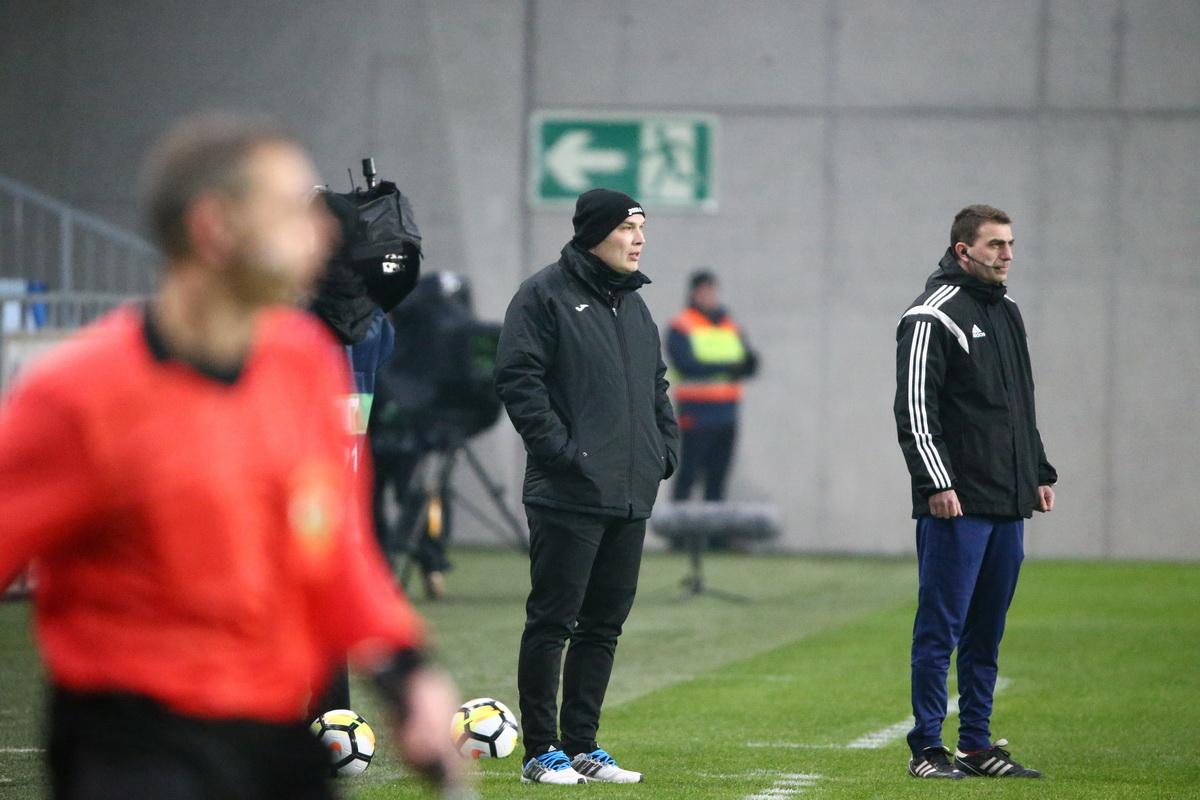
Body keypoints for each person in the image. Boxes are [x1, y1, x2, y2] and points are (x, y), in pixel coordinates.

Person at [0, 114, 467, 799]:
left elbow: (331, 548)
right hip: (135, 750)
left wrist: (407, 673)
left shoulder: (304, 365)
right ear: (213, 229)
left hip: (274, 742)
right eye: (293, 213)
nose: (325, 234)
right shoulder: (77, 395)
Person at [495, 188, 679, 785]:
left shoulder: (636, 306)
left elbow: (656, 385)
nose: (639, 239)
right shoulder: (542, 295)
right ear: (595, 233)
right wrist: (562, 453)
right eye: (628, 228)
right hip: (567, 491)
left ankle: (582, 746)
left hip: (630, 491)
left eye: (642, 228)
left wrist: (663, 450)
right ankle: (539, 751)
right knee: (553, 622)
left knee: (603, 627)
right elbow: (518, 379)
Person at [894, 204, 1057, 780]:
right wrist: (936, 482)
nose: (1007, 254)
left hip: (1006, 500)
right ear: (964, 250)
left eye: (1010, 244)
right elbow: (915, 408)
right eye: (995, 245)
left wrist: (1038, 471)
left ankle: (977, 745)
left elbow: (1019, 403)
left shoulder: (1007, 311)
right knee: (941, 629)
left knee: (987, 630)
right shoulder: (931, 314)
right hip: (957, 503)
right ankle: (926, 749)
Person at [666, 269, 757, 504]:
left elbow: (749, 362)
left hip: (726, 413)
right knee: (689, 473)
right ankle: (679, 525)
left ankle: (715, 527)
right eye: (703, 291)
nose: (708, 296)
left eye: (711, 291)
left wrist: (743, 365)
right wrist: (728, 368)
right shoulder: (682, 325)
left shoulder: (729, 325)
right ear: (693, 293)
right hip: (696, 412)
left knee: (718, 477)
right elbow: (686, 365)